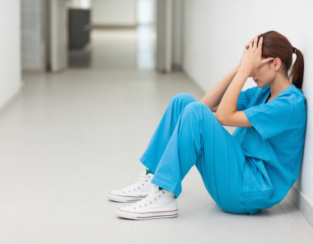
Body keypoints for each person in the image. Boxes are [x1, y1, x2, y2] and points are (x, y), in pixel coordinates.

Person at [108, 30, 307, 220]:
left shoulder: (289, 105)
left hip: (249, 190)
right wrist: (239, 67)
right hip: (237, 172)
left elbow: (223, 116)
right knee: (183, 101)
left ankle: (164, 194)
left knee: (196, 112)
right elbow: (206, 104)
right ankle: (153, 179)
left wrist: (245, 69)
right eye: (250, 66)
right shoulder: (262, 93)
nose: (251, 72)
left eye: (255, 66)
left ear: (276, 64)